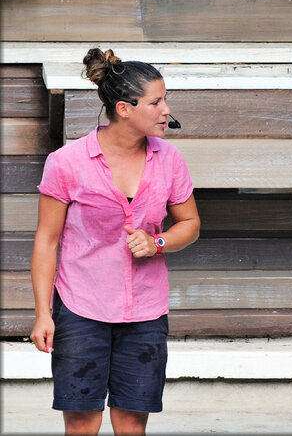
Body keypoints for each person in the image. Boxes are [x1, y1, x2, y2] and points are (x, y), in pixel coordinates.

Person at [30, 48, 200, 435]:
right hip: (80, 308)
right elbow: (46, 240)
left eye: (165, 99)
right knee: (82, 424)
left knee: (131, 424)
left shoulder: (170, 159)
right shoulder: (66, 162)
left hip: (145, 311)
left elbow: (189, 223)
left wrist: (157, 242)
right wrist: (43, 313)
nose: (166, 110)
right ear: (124, 109)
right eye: (156, 102)